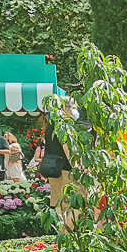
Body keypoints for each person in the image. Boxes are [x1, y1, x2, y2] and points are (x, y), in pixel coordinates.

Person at [46, 96, 81, 230]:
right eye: (73, 107)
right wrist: (77, 168)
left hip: (54, 170)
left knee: (60, 204)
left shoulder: (51, 124)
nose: (75, 111)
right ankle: (70, 234)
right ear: (64, 109)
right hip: (67, 171)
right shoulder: (65, 124)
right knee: (73, 204)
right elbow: (68, 148)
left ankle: (62, 235)